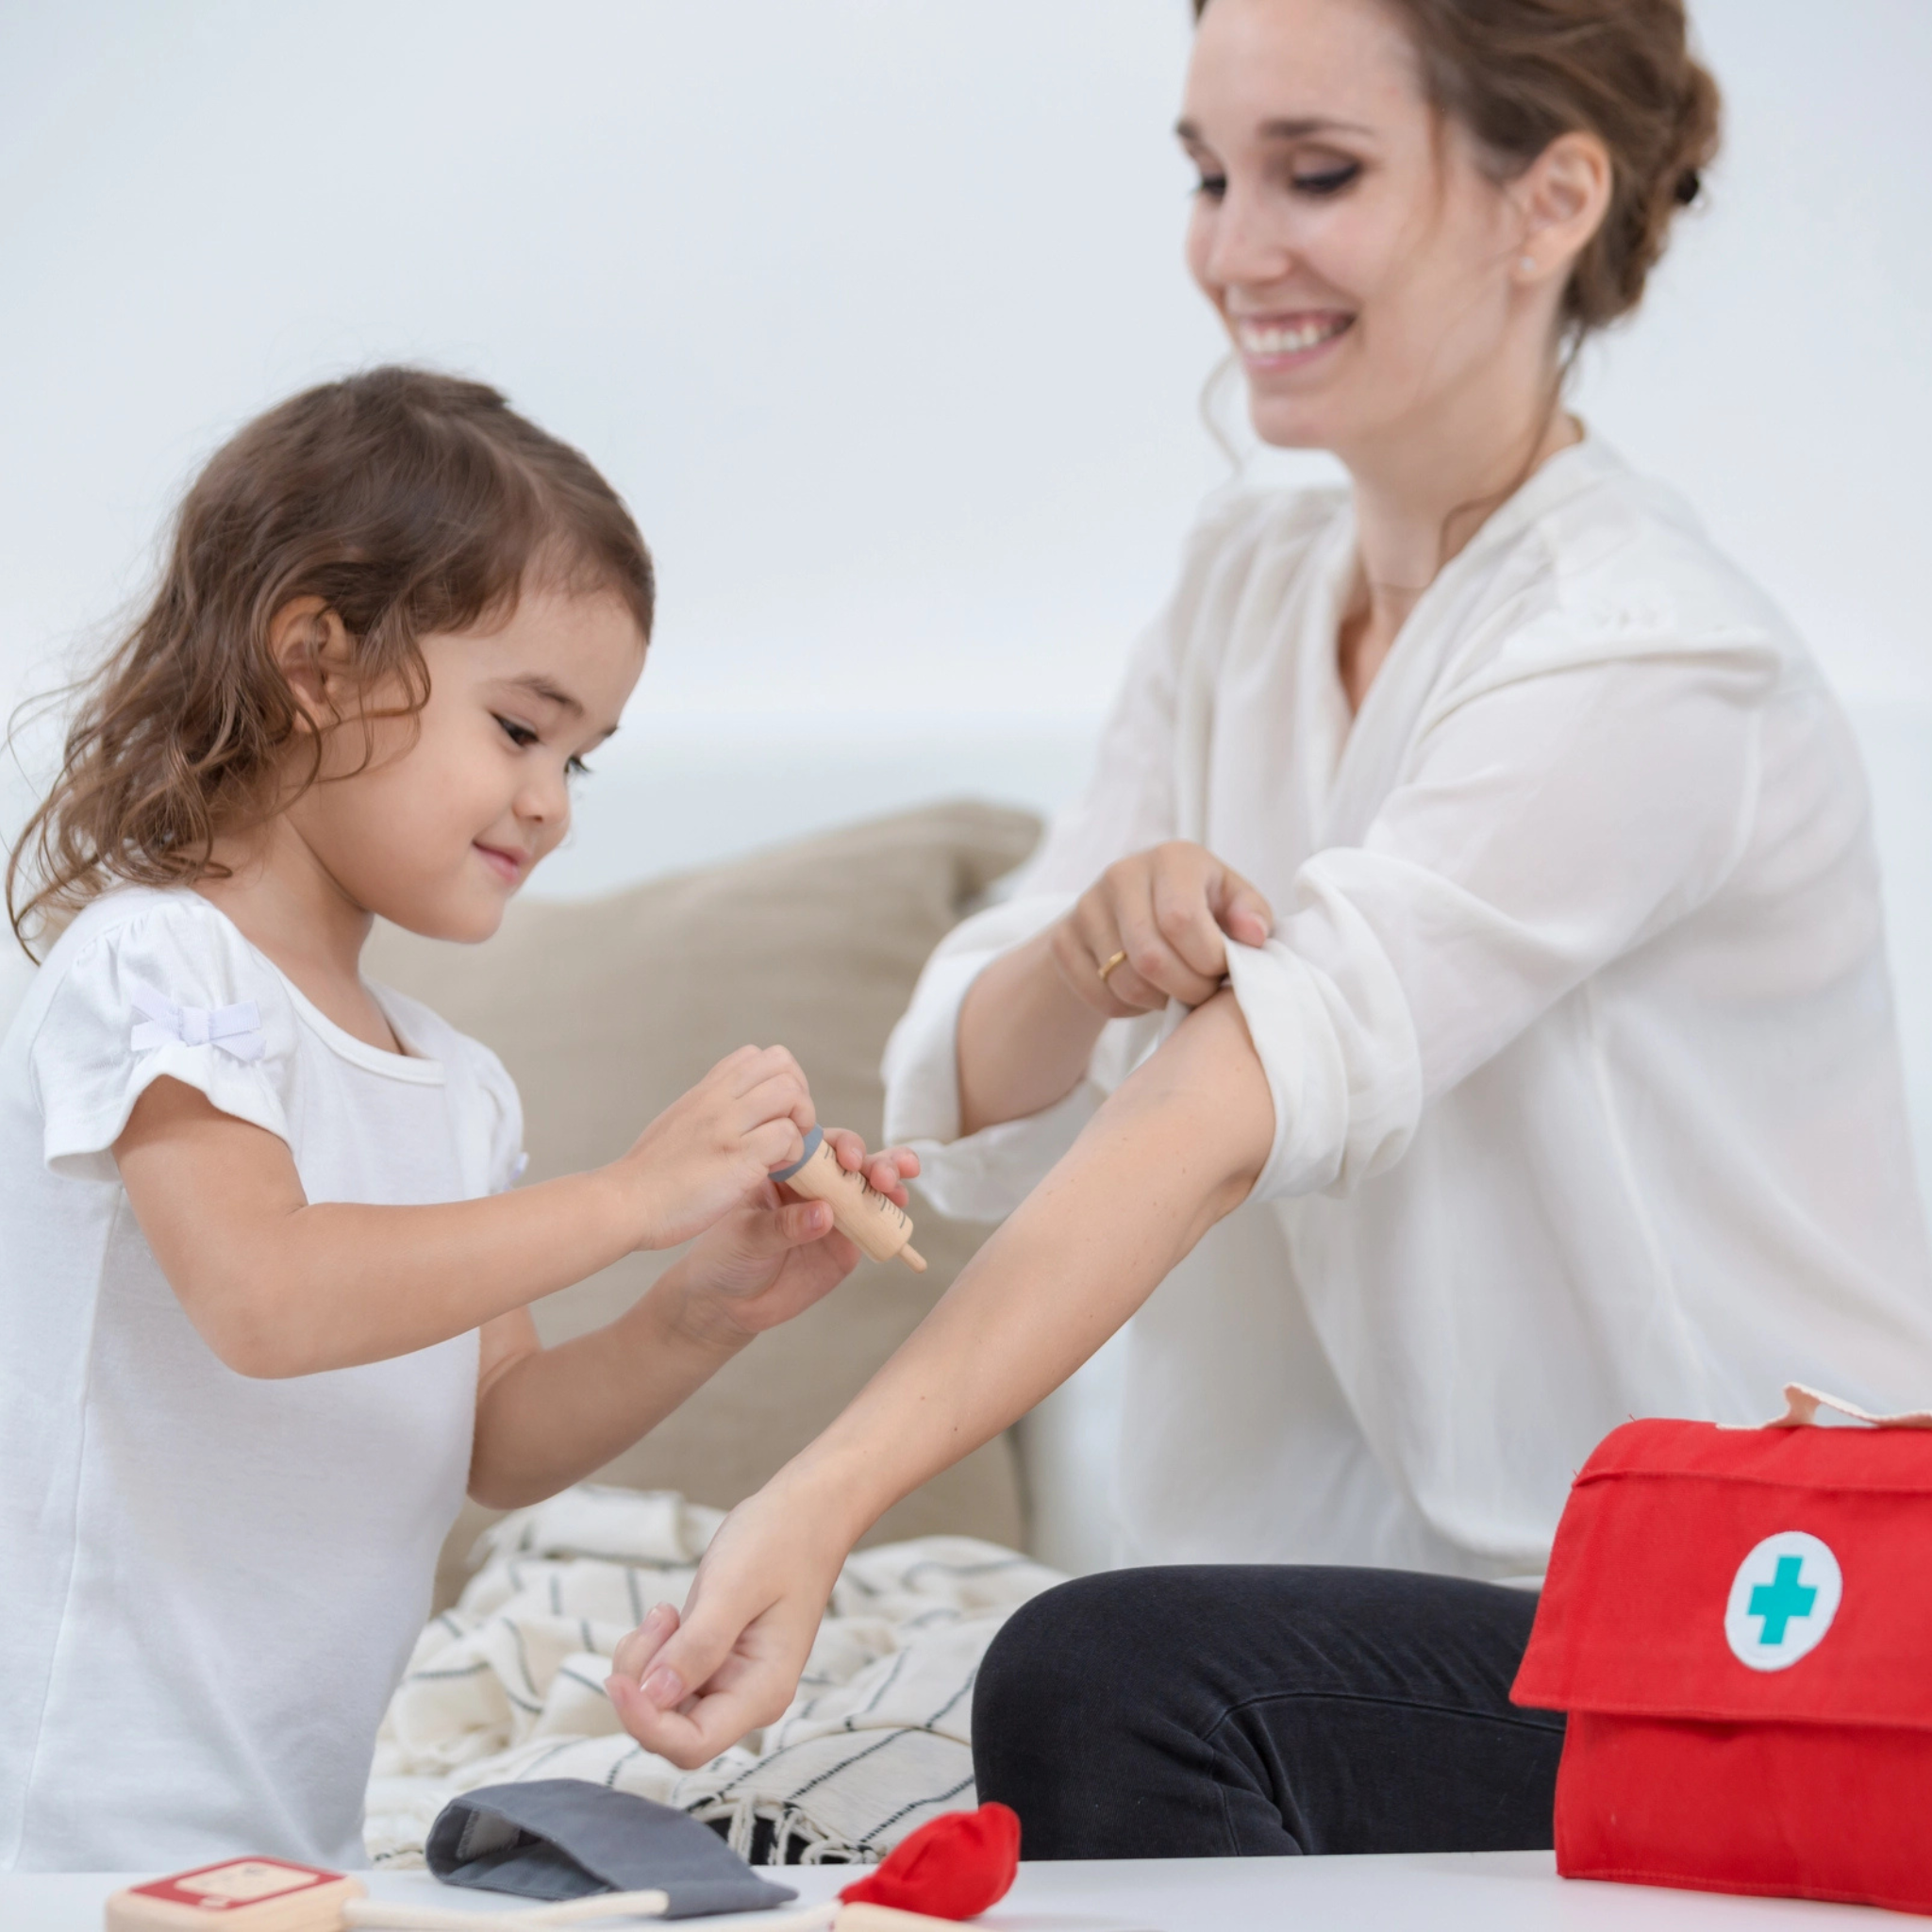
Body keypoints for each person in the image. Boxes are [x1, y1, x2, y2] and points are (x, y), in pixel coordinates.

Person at [603, 0, 1932, 1858]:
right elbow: (976, 1089)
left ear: (1550, 201)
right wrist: (1083, 952)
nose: (1233, 249)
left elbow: (1219, 1107)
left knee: (1104, 1681)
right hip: (1387, 1606)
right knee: (1086, 1666)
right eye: (1209, 177)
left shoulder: (1644, 656)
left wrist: (816, 1499)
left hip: (1739, 1620)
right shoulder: (1244, 584)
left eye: (1315, 175)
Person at [0, 368, 915, 1873]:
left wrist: (698, 1309)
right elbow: (264, 1295)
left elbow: (497, 1435)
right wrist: (627, 1196)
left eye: (580, 756)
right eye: (520, 727)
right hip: (64, 1832)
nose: (552, 802)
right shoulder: (157, 964)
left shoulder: (454, 1082)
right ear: (315, 660)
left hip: (279, 1841)